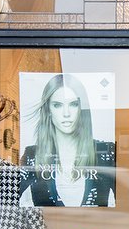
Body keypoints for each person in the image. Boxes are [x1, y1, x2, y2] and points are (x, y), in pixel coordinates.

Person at [20, 73, 116, 207]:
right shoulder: (33, 155)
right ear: (48, 110)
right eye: (57, 105)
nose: (66, 113)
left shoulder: (105, 152)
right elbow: (5, 201)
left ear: (82, 108)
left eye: (73, 104)